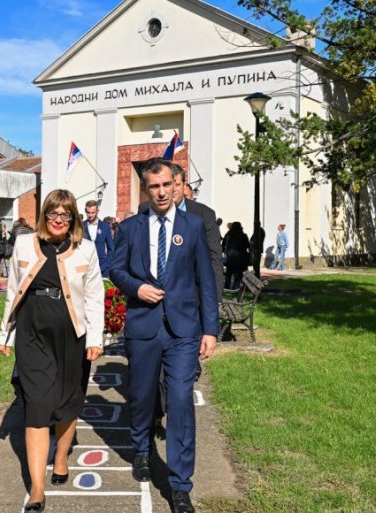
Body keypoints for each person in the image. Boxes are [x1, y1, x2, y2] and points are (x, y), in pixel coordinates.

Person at [109, 158, 217, 513]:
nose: (161, 192)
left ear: (177, 185)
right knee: (141, 396)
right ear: (146, 189)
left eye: (166, 185)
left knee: (181, 400)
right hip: (144, 326)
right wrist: (136, 288)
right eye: (154, 186)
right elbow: (115, 269)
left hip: (183, 329)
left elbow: (205, 279)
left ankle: (181, 484)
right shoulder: (131, 228)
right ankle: (141, 448)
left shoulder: (193, 226)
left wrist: (210, 329)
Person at [0, 189, 104, 512]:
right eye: (53, 214)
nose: (58, 220)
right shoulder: (23, 244)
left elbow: (95, 296)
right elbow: (13, 290)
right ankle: (38, 489)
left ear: (73, 219)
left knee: (68, 401)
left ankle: (60, 458)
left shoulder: (86, 249)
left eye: (65, 214)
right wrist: (5, 334)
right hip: (32, 333)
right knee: (38, 405)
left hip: (72, 335)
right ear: (44, 216)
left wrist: (95, 338)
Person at [138, 163, 223, 301]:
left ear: (184, 185)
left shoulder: (203, 214)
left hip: (190, 296)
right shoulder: (145, 210)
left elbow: (214, 257)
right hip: (153, 296)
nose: (172, 190)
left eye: (176, 185)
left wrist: (215, 297)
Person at [82, 199, 115, 277]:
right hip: (85, 267)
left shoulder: (105, 227)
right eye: (88, 212)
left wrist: (107, 265)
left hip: (102, 267)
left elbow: (111, 248)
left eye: (93, 212)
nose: (90, 215)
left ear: (97, 211)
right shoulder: (81, 226)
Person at [222, 222, 251, 290]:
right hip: (239, 258)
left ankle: (226, 287)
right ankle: (235, 288)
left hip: (229, 258)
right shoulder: (243, 235)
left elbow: (223, 245)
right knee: (237, 275)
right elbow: (247, 245)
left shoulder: (228, 235)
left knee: (228, 275)